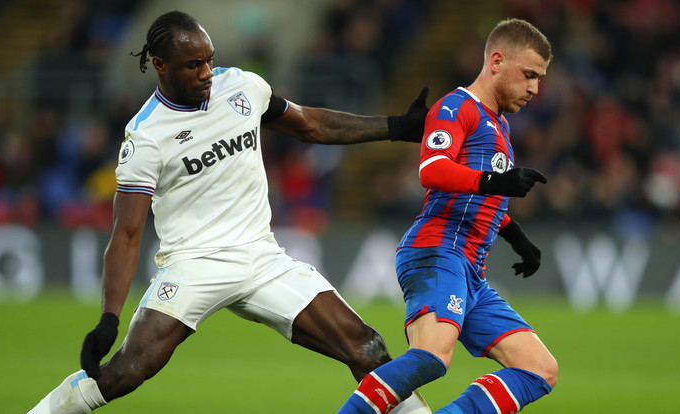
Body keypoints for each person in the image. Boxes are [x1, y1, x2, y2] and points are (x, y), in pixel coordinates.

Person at [27, 10, 433, 414]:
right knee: (125, 372)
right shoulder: (145, 136)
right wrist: (109, 319)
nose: (206, 72)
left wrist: (397, 126)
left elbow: (310, 124)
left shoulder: (241, 87)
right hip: (193, 264)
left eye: (209, 59)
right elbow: (127, 233)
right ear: (160, 66)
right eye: (193, 64)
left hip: (261, 257)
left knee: (366, 347)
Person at [337, 18, 558, 414]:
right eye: (528, 75)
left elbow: (481, 198)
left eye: (539, 79)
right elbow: (432, 169)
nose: (534, 88)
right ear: (496, 61)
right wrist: (495, 180)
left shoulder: (500, 123)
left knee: (538, 369)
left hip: (471, 268)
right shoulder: (457, 107)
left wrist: (517, 237)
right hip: (437, 250)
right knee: (431, 357)